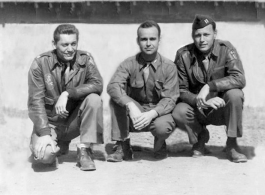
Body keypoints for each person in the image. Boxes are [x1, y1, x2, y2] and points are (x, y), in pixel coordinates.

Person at [28, 24, 104, 171]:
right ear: (54, 44)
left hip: (72, 122)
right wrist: (44, 133)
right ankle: (56, 143)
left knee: (94, 99)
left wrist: (68, 93)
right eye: (64, 44)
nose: (70, 49)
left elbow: (97, 84)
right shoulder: (40, 63)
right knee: (45, 157)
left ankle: (85, 150)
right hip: (50, 123)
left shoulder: (85, 59)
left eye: (73, 44)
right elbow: (35, 102)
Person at [172, 14, 247, 163]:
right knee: (178, 110)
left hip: (221, 108)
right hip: (198, 108)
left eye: (206, 34)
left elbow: (239, 78)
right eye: (198, 35)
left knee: (235, 95)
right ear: (193, 36)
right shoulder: (183, 55)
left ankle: (232, 144)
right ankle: (200, 138)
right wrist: (199, 100)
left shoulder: (226, 49)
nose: (202, 40)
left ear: (215, 34)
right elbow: (180, 89)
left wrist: (209, 86)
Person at [107, 20, 179, 162]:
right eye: (143, 39)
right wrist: (130, 105)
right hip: (136, 111)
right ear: (138, 41)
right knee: (116, 100)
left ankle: (159, 144)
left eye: (152, 39)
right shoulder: (129, 64)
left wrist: (152, 114)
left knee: (162, 127)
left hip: (158, 113)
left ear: (159, 40)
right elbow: (113, 85)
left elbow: (170, 99)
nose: (148, 43)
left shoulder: (169, 67)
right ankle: (122, 145)